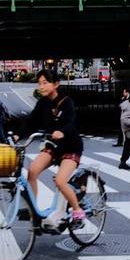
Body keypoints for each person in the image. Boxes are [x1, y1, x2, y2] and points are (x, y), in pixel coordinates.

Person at [18, 70, 86, 226]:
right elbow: (31, 122)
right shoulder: (42, 103)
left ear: (56, 84)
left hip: (71, 147)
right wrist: (16, 136)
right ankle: (33, 209)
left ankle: (78, 212)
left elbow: (71, 121)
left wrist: (62, 131)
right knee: (32, 171)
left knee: (61, 182)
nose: (41, 86)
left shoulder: (67, 101)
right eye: (39, 83)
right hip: (54, 146)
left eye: (45, 82)